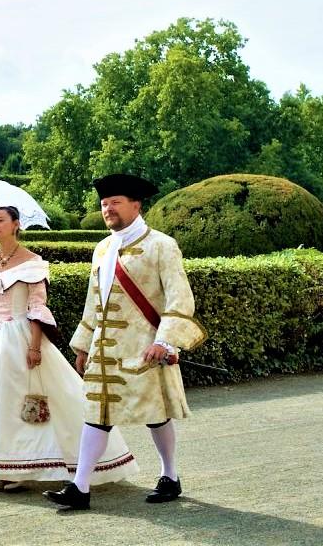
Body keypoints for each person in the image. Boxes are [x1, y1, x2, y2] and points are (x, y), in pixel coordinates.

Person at [0, 205, 138, 492]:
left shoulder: (33, 262)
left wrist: (35, 347)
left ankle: (20, 468)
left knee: (18, 401)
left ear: (16, 224)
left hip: (20, 336)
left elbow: (37, 307)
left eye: (0, 220)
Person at [44, 174, 207, 511]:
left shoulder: (162, 245)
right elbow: (95, 301)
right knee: (97, 414)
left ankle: (170, 475)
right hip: (105, 352)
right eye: (104, 204)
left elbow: (180, 299)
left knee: (156, 415)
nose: (108, 209)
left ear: (137, 205)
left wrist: (165, 341)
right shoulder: (102, 248)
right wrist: (84, 345)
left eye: (115, 202)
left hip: (145, 349)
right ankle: (81, 486)